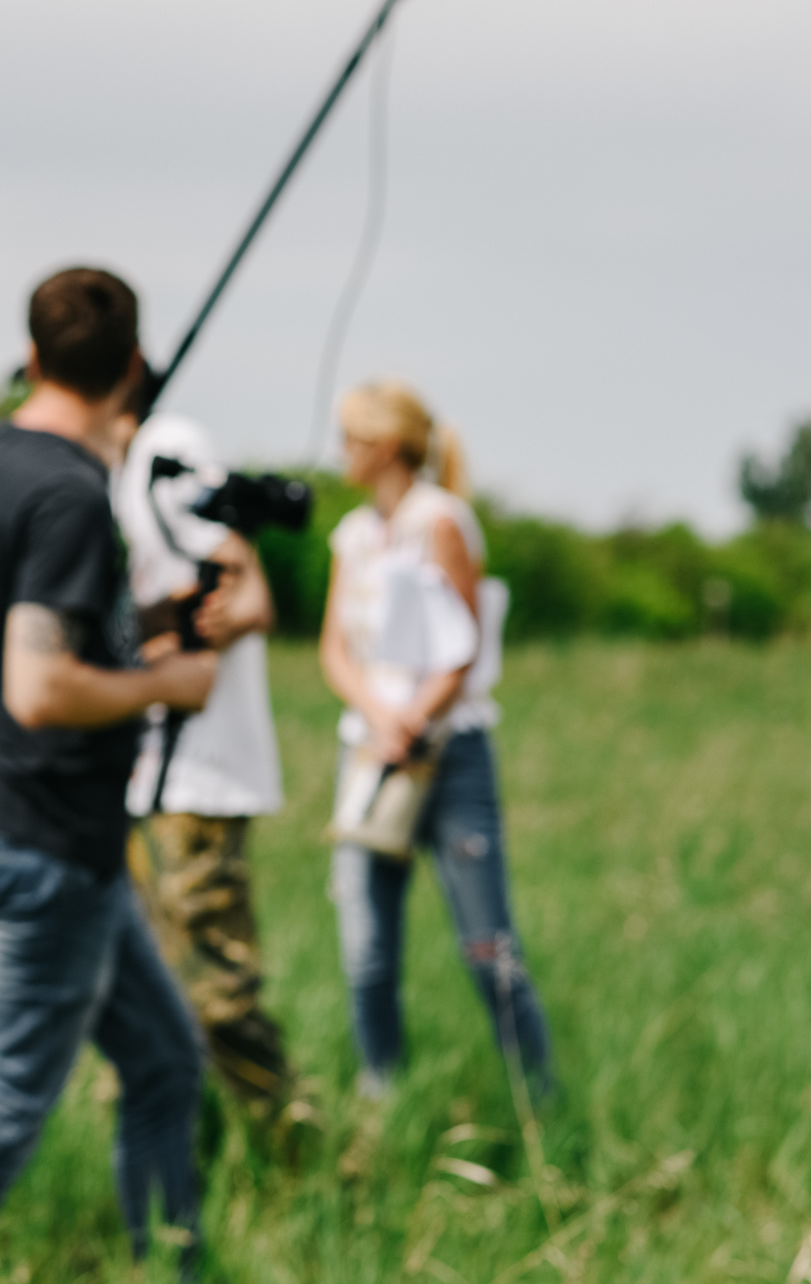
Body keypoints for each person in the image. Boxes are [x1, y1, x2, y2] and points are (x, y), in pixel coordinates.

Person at [0, 268, 219, 1282]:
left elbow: (12, 646)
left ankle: (172, 1260)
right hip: (45, 839)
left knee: (166, 1063)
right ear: (132, 369)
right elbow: (39, 686)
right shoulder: (71, 493)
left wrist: (160, 627)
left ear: (31, 357)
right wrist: (171, 681)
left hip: (22, 819)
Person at [318, 379, 550, 1100]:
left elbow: (462, 645)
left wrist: (414, 718)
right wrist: (378, 717)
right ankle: (380, 1091)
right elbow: (333, 648)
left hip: (448, 755)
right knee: (366, 948)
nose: (342, 453)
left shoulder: (443, 522)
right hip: (370, 753)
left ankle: (537, 1095)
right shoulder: (353, 535)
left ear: (385, 446)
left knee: (486, 946)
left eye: (351, 439)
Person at [112, 410, 292, 1119]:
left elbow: (246, 583)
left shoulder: (166, 456)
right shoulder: (108, 491)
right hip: (145, 783)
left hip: (201, 785)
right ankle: (190, 1143)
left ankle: (291, 1144)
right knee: (152, 991)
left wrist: (231, 615)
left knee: (218, 990)